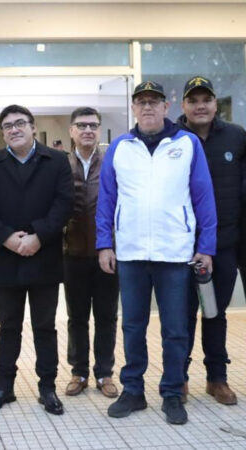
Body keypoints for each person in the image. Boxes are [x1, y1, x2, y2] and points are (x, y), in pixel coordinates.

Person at [96, 81, 216, 425]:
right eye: (141, 102)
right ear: (133, 109)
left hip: (175, 254)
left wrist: (205, 247)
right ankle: (133, 390)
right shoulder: (120, 147)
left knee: (176, 329)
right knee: (132, 326)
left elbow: (203, 197)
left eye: (154, 102)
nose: (147, 107)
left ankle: (173, 392)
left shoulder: (187, 143)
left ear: (167, 107)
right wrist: (105, 243)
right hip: (131, 254)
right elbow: (107, 200)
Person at [0, 104, 73, 416]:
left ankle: (48, 388)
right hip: (6, 257)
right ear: (2, 133)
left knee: (45, 326)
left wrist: (38, 236)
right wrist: (7, 238)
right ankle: (4, 387)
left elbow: (65, 203)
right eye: (7, 126)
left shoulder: (56, 161)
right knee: (8, 326)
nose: (14, 129)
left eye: (20, 124)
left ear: (32, 127)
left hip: (45, 255)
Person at [178, 76, 246, 405]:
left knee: (215, 313)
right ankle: (179, 377)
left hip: (223, 245)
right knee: (183, 314)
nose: (200, 105)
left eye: (206, 99)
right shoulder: (172, 138)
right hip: (181, 247)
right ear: (183, 106)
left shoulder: (236, 137)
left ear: (215, 104)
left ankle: (216, 378)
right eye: (193, 100)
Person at [62, 107, 120, 398]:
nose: (87, 130)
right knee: (77, 317)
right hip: (72, 253)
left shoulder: (112, 162)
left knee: (107, 316)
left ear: (99, 130)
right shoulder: (61, 165)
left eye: (93, 125)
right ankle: (79, 371)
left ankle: (105, 372)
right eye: (81, 125)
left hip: (107, 254)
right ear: (71, 131)